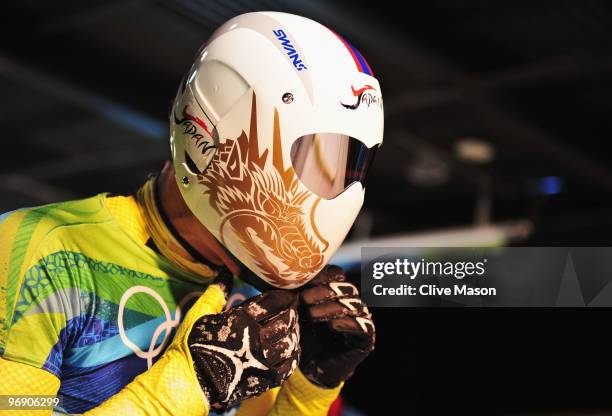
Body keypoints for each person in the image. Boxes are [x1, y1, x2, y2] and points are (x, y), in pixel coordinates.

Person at [0, 11, 383, 415]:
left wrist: (309, 391)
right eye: (310, 158)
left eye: (346, 167)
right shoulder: (47, 252)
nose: (335, 190)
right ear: (212, 133)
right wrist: (190, 381)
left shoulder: (258, 298)